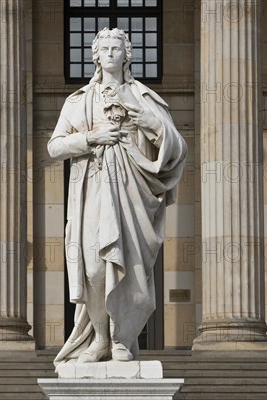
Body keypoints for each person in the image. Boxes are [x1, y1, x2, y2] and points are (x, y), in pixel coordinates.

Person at [48, 28, 186, 365]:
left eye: (117, 48)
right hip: (93, 188)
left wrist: (151, 122)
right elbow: (54, 146)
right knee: (94, 267)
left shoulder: (144, 97)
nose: (110, 53)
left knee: (132, 268)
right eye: (104, 48)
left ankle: (123, 337)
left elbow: (177, 148)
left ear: (127, 55)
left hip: (132, 191)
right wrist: (90, 137)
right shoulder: (78, 100)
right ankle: (100, 338)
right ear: (96, 56)